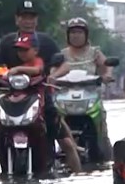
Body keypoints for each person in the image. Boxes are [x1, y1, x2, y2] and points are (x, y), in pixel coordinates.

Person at [0, 1, 82, 175]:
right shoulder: (7, 42)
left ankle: (79, 179)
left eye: (32, 17)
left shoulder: (45, 42)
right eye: (24, 17)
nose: (28, 21)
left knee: (66, 142)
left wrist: (53, 76)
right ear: (17, 20)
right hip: (10, 100)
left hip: (42, 98)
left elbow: (64, 65)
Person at [49, 17, 114, 161]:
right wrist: (52, 77)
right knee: (51, 121)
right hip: (65, 97)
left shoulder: (95, 53)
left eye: (79, 32)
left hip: (90, 96)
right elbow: (53, 71)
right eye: (72, 33)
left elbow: (107, 65)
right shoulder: (62, 54)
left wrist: (107, 75)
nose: (76, 36)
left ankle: (106, 157)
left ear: (86, 35)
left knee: (102, 128)